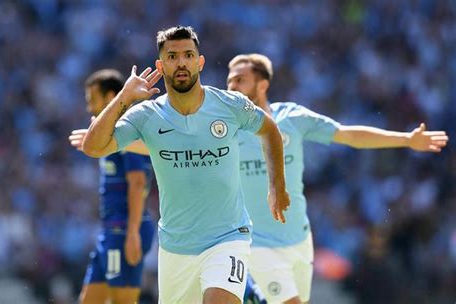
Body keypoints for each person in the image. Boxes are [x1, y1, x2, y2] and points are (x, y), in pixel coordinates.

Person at [81, 26, 290, 304]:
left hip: (228, 238)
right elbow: (93, 147)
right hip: (176, 247)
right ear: (160, 64)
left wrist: (277, 186)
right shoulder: (146, 115)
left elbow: (270, 129)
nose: (181, 62)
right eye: (172, 56)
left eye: (188, 55)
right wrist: (124, 98)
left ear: (199, 61)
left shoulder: (230, 105)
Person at [225, 53, 448, 304]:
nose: (232, 86)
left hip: (298, 240)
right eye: (230, 80)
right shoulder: (225, 130)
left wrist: (406, 139)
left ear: (262, 84)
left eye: (240, 80)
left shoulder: (292, 118)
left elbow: (348, 135)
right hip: (257, 245)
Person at [70, 69, 155, 304]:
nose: (89, 107)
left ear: (110, 97)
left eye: (92, 99)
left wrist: (132, 233)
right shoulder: (106, 135)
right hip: (109, 231)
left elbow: (138, 182)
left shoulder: (126, 130)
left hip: (125, 230)